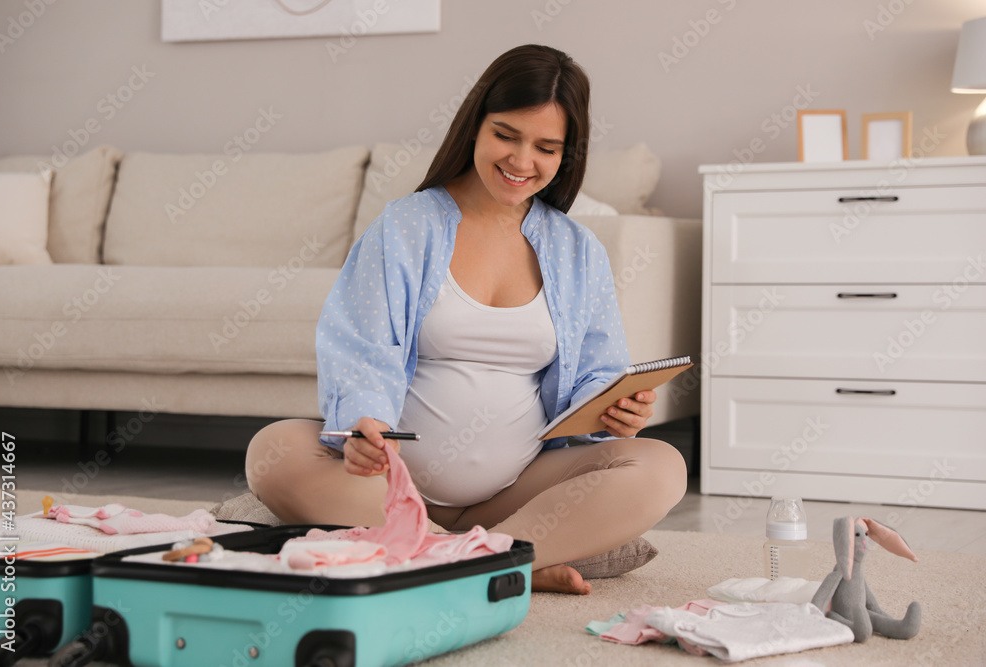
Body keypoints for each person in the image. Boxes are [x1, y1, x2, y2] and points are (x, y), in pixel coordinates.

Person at [245, 44, 687, 595]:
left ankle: (438, 560)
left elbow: (598, 372)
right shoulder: (406, 227)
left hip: (518, 487)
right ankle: (498, 562)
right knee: (273, 450)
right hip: (390, 485)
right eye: (506, 135)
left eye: (546, 147)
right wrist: (365, 422)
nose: (522, 162)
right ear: (474, 124)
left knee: (662, 466)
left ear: (567, 154)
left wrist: (615, 408)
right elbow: (362, 348)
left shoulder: (578, 250)